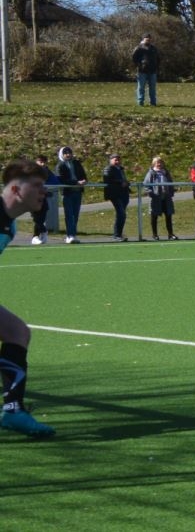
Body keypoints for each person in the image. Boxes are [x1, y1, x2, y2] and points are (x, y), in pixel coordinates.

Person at [0, 158, 58, 437]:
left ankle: (13, 410)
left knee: (17, 333)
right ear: (15, 189)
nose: (43, 191)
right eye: (36, 185)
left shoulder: (9, 226)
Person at [54, 147, 87, 244]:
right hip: (67, 193)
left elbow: (83, 174)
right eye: (65, 153)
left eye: (69, 153)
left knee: (75, 215)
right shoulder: (60, 165)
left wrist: (84, 180)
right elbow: (61, 179)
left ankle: (73, 234)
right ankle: (69, 235)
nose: (68, 155)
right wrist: (76, 182)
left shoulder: (76, 163)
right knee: (69, 215)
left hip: (77, 192)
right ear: (62, 154)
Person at [143, 156, 177, 240]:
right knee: (154, 216)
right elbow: (146, 185)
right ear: (154, 164)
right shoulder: (151, 173)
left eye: (160, 162)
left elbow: (170, 183)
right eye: (157, 162)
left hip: (166, 197)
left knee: (168, 215)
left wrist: (171, 191)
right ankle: (155, 234)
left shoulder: (166, 172)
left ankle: (170, 234)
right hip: (156, 198)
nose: (159, 164)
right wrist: (151, 193)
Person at [100, 154, 130, 241]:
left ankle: (118, 234)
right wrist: (120, 182)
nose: (117, 161)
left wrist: (126, 183)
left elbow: (123, 179)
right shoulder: (108, 168)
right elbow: (107, 180)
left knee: (121, 215)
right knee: (121, 214)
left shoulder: (120, 169)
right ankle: (116, 235)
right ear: (110, 160)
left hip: (123, 194)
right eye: (115, 160)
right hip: (115, 194)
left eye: (118, 160)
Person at [133, 35, 160, 106]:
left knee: (152, 88)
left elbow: (158, 58)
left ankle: (153, 103)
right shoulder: (139, 48)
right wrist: (139, 66)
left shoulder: (154, 48)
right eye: (147, 39)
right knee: (141, 87)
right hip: (142, 71)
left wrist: (156, 67)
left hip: (153, 71)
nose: (148, 41)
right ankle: (140, 102)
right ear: (143, 40)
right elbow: (134, 58)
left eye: (149, 39)